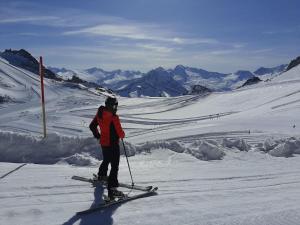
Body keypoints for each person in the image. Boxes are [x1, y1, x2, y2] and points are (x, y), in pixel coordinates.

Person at [89, 96, 125, 199]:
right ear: (111, 106)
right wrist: (122, 134)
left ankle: (102, 176)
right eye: (115, 105)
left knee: (106, 159)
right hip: (113, 145)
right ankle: (112, 190)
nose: (116, 108)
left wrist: (98, 136)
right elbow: (121, 134)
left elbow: (92, 126)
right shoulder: (114, 118)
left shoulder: (100, 113)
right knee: (114, 167)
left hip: (104, 143)